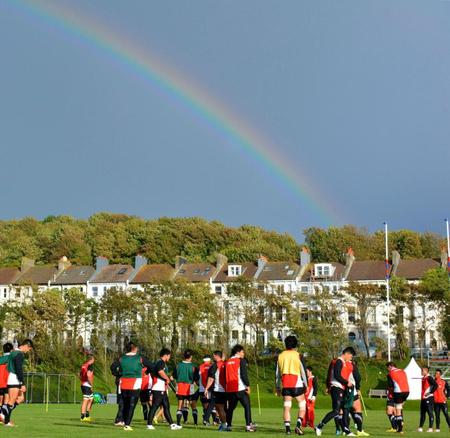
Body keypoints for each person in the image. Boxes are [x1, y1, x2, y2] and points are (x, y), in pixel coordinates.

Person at [315, 347, 356, 437]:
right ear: (346, 354)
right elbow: (337, 376)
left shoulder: (345, 363)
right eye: (351, 356)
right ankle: (319, 426)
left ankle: (346, 430)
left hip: (342, 388)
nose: (351, 358)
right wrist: (346, 382)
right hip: (336, 388)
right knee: (336, 411)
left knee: (345, 409)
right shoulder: (338, 361)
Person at [275, 335, 307, 435]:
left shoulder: (280, 356)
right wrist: (306, 385)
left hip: (286, 384)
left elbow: (277, 373)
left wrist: (278, 387)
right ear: (295, 344)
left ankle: (288, 429)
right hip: (297, 383)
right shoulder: (298, 355)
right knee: (302, 406)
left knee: (286, 407)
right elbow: (303, 371)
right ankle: (298, 425)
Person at [118, 342, 153, 431]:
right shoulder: (139, 358)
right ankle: (127, 424)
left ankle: (124, 422)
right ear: (134, 348)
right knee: (131, 404)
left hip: (123, 383)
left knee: (125, 404)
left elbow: (113, 367)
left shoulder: (122, 358)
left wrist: (119, 373)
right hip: (135, 383)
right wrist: (147, 371)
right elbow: (152, 366)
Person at [147, 348, 182, 430]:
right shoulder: (160, 362)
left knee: (166, 406)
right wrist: (167, 378)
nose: (169, 358)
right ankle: (149, 424)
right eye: (169, 356)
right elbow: (160, 371)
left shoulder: (158, 362)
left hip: (161, 388)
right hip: (158, 388)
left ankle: (172, 425)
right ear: (166, 355)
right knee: (155, 406)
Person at [1, 339, 33, 426]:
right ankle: (2, 413)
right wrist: (22, 383)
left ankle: (6, 421)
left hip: (11, 378)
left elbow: (3, 360)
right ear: (26, 346)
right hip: (14, 378)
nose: (28, 351)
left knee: (13, 401)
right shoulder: (19, 354)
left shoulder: (13, 352)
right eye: (29, 349)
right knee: (11, 402)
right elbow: (19, 369)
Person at [225, 344, 256, 432]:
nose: (243, 353)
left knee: (230, 408)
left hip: (230, 389)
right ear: (238, 352)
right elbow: (243, 375)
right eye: (242, 351)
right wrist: (248, 385)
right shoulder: (240, 361)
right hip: (240, 388)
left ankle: (228, 426)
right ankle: (248, 426)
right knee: (247, 406)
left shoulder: (227, 361)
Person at [173, 349, 199, 426]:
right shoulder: (193, 367)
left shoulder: (178, 365)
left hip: (180, 386)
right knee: (193, 405)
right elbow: (196, 379)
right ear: (191, 356)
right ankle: (195, 423)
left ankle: (178, 422)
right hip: (189, 386)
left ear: (184, 356)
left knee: (180, 404)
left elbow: (174, 376)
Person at [204, 350, 228, 431]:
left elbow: (211, 379)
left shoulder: (215, 365)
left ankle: (224, 425)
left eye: (213, 355)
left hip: (218, 389)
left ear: (216, 356)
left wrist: (206, 388)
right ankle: (225, 424)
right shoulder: (225, 364)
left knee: (219, 408)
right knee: (222, 408)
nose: (213, 357)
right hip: (226, 389)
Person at [347, 360, 369, 436]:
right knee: (357, 409)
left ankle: (344, 430)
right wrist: (358, 388)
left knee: (345, 411)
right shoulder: (352, 366)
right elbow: (358, 377)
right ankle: (359, 430)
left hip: (341, 391)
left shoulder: (340, 365)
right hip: (352, 390)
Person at [386, 362, 409, 434]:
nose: (387, 369)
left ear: (390, 366)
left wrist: (389, 393)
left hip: (398, 392)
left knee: (397, 411)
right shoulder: (403, 371)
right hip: (407, 391)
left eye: (387, 368)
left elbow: (391, 386)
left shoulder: (390, 374)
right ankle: (400, 424)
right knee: (399, 408)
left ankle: (400, 429)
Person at [418, 366, 437, 432]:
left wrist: (430, 393)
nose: (421, 372)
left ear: (426, 371)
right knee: (422, 413)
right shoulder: (423, 378)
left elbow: (436, 385)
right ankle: (420, 427)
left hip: (429, 398)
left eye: (422, 370)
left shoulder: (429, 378)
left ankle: (430, 428)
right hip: (423, 398)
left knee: (430, 413)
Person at [198, 354, 214, 425]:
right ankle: (214, 420)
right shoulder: (212, 366)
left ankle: (206, 420)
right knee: (212, 404)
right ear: (209, 360)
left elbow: (200, 378)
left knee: (205, 404)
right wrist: (207, 388)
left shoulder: (201, 366)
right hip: (210, 388)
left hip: (202, 389)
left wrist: (204, 388)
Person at [110, 356, 125, 426]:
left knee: (123, 403)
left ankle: (121, 419)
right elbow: (113, 368)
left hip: (121, 382)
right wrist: (118, 373)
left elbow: (113, 369)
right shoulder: (119, 364)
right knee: (122, 402)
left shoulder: (117, 364)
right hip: (121, 383)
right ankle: (118, 420)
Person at [80, 355, 95, 422]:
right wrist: (91, 385)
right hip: (87, 385)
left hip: (84, 384)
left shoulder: (83, 365)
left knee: (91, 399)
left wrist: (82, 380)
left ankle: (87, 415)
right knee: (86, 400)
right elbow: (89, 376)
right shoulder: (90, 366)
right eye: (93, 359)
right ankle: (83, 416)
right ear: (91, 360)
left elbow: (79, 374)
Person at [303, 366, 318, 431]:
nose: (306, 373)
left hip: (310, 398)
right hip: (304, 398)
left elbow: (316, 388)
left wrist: (314, 396)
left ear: (310, 371)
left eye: (307, 371)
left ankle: (311, 424)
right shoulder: (305, 379)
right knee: (304, 411)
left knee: (310, 411)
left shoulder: (313, 378)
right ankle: (304, 424)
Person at [0, 343, 13, 407]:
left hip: (0, 382)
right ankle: (4, 415)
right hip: (8, 381)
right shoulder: (12, 358)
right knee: (7, 401)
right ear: (11, 350)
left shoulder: (1, 358)